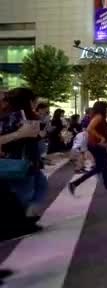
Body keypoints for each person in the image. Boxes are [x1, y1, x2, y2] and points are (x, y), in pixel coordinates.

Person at [0, 88, 48, 223]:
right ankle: (23, 221)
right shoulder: (20, 117)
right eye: (34, 102)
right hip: (22, 160)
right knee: (23, 193)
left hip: (21, 159)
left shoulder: (11, 115)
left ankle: (30, 215)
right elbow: (29, 138)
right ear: (29, 102)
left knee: (41, 184)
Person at [69, 101, 107, 195]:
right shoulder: (98, 117)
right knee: (100, 166)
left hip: (98, 144)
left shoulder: (100, 117)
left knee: (105, 164)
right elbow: (89, 128)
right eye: (106, 107)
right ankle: (75, 183)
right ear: (102, 108)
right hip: (96, 144)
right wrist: (101, 138)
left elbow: (103, 130)